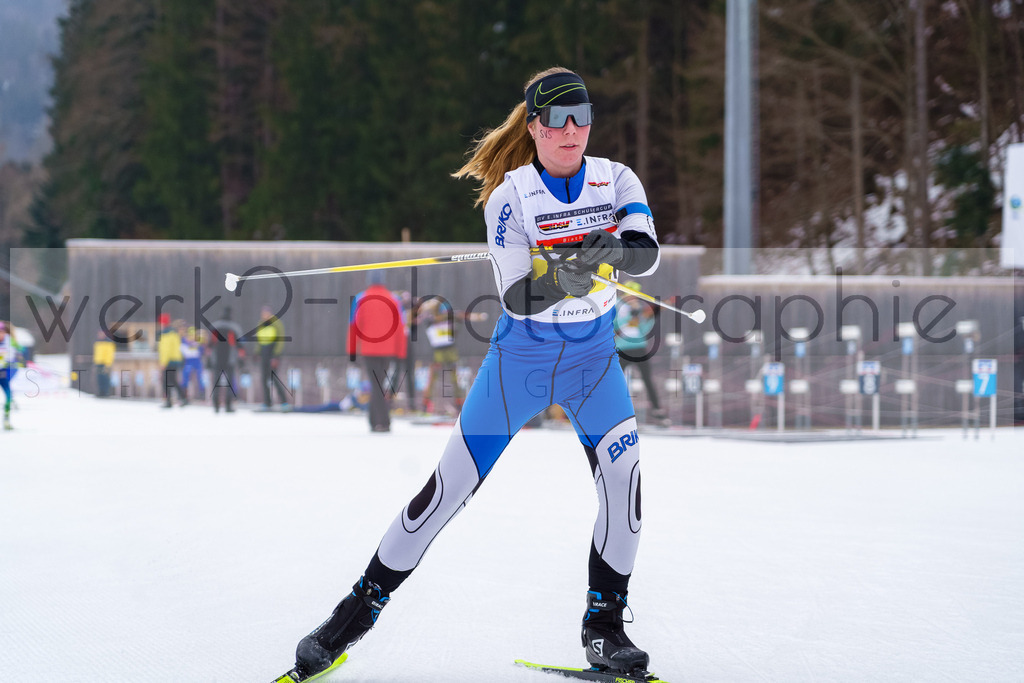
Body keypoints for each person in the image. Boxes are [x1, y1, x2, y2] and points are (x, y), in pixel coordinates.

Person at [285, 67, 661, 680]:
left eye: (584, 117)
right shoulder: (510, 196)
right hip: (522, 365)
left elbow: (645, 250)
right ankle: (347, 620)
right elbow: (516, 295)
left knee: (626, 489)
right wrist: (564, 274)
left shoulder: (616, 178)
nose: (573, 131)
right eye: (559, 120)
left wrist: (608, 249)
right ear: (536, 127)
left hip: (594, 362)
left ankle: (605, 630)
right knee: (443, 494)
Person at [346, 272, 409, 432]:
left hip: (368, 349)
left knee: (376, 384)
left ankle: (379, 421)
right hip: (388, 350)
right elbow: (400, 327)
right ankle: (379, 421)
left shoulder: (361, 298)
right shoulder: (394, 299)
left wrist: (352, 350)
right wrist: (401, 351)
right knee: (378, 383)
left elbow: (354, 325)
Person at [615, 281, 669, 426]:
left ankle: (657, 410)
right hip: (621, 348)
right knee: (617, 381)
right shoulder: (616, 305)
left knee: (648, 379)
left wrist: (647, 318)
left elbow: (644, 331)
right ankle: (615, 410)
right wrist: (629, 317)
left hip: (639, 347)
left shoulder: (640, 308)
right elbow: (613, 326)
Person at [207, 307, 245, 413]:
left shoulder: (215, 326)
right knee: (230, 383)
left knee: (215, 382)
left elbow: (210, 345)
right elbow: (239, 346)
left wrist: (208, 360)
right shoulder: (234, 327)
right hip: (230, 360)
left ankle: (216, 405)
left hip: (216, 359)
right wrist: (241, 359)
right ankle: (228, 405)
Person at [256, 306, 290, 411]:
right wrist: (257, 353)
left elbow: (280, 340)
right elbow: (259, 340)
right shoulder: (261, 324)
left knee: (274, 378)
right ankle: (267, 402)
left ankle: (284, 402)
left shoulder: (276, 323)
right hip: (264, 354)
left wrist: (276, 356)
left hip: (272, 353)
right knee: (263, 378)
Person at [158, 318, 186, 408]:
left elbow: (166, 350)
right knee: (173, 380)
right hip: (175, 360)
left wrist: (163, 362)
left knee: (166, 382)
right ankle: (183, 397)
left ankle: (168, 401)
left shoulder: (166, 334)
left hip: (169, 361)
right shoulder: (174, 334)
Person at [1, 322, 24, 430]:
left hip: (5, 373)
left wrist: (19, 357)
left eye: (2, 332)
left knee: (8, 395)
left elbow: (20, 350)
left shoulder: (10, 341)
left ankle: (6, 420)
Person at [180, 325, 207, 402]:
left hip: (196, 360)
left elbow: (202, 350)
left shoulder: (198, 340)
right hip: (188, 360)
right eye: (190, 335)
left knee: (200, 377)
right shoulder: (184, 340)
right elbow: (183, 350)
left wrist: (201, 344)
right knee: (185, 377)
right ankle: (184, 394)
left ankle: (202, 394)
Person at [93, 329, 116, 398]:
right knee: (99, 378)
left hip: (105, 363)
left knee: (105, 377)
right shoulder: (97, 343)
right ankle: (101, 392)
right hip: (98, 362)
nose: (100, 335)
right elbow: (96, 353)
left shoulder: (108, 343)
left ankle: (106, 392)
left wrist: (108, 364)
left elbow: (109, 354)